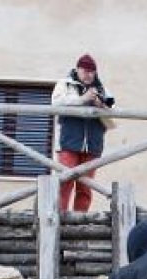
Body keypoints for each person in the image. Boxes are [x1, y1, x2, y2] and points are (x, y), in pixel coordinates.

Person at [52, 53, 114, 213]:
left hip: (93, 146)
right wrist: (83, 99)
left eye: (92, 71)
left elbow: (113, 112)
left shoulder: (103, 89)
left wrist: (101, 106)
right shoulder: (64, 84)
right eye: (85, 70)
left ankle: (80, 222)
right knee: (65, 183)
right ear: (77, 69)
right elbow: (56, 103)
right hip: (68, 144)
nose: (88, 74)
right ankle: (60, 218)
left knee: (85, 188)